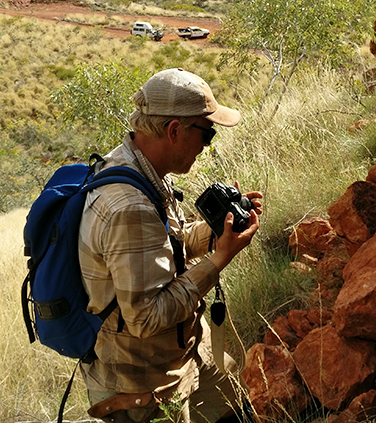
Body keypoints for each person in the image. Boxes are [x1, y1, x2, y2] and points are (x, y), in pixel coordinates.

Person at [78, 68, 261, 423]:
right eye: (206, 135)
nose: (208, 146)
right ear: (175, 131)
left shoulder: (139, 168)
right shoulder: (129, 207)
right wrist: (219, 260)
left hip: (184, 356)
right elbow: (145, 318)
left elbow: (166, 245)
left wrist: (222, 229)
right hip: (143, 387)